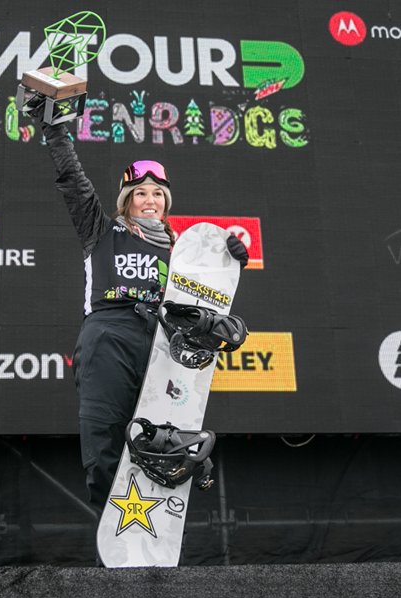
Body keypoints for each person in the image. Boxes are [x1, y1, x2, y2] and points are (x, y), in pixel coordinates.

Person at [40, 119, 247, 508]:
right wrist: (55, 131)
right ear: (127, 200)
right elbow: (72, 179)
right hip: (108, 337)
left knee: (162, 444)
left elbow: (212, 296)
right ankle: (111, 549)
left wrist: (229, 256)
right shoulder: (100, 231)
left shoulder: (180, 254)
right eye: (140, 193)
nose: (149, 200)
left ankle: (154, 545)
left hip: (159, 346)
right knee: (103, 446)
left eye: (157, 193)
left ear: (166, 202)